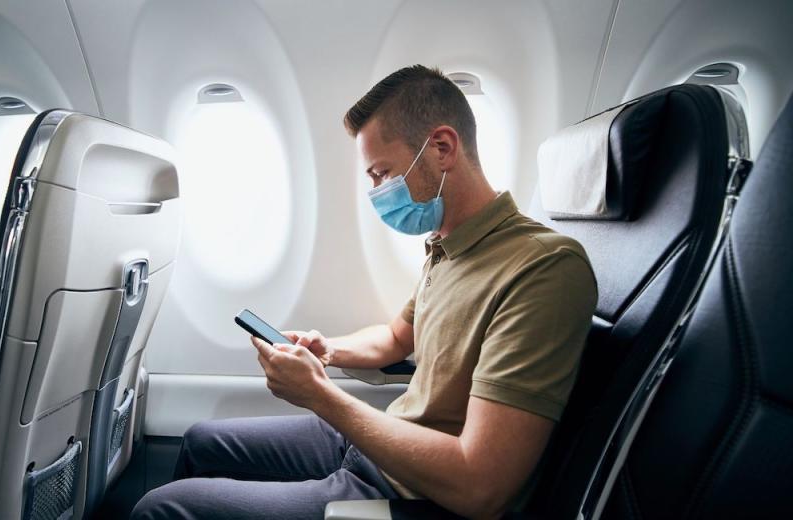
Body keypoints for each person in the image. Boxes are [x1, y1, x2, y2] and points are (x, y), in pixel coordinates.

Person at [131, 64, 597, 519]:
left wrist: (320, 395)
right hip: (387, 442)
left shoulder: (542, 269)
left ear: (441, 148)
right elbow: (397, 338)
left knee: (162, 508)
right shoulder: (447, 245)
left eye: (381, 173)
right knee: (199, 441)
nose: (376, 191)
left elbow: (481, 487)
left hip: (415, 489)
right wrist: (327, 351)